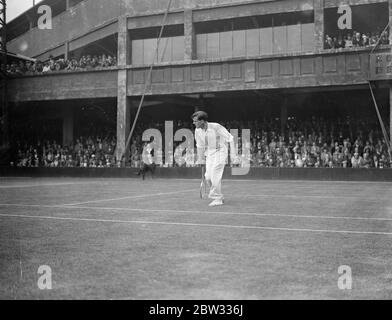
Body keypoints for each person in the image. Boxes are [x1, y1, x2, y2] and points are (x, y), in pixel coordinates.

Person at [192, 110, 238, 207]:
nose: (194, 123)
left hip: (221, 151)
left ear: (202, 121)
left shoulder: (216, 127)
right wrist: (200, 159)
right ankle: (218, 196)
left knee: (215, 174)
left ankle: (218, 198)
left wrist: (234, 156)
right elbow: (200, 145)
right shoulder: (197, 131)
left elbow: (230, 138)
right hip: (209, 153)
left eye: (195, 121)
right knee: (208, 177)